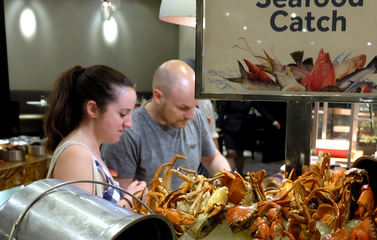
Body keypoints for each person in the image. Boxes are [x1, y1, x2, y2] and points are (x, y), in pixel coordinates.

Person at [102, 59, 231, 191]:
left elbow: (211, 158)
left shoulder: (196, 117)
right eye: (183, 108)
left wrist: (230, 178)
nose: (190, 116)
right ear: (158, 96)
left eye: (194, 106)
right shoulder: (127, 132)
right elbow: (121, 197)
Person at [44, 64, 146, 209]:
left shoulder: (91, 148)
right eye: (123, 114)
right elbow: (81, 225)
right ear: (93, 109)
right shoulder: (77, 154)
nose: (129, 123)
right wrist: (129, 200)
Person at [217, 100, 281, 174]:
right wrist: (218, 126)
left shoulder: (249, 97)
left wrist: (273, 121)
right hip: (229, 127)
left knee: (240, 153)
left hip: (243, 128)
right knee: (230, 152)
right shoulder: (232, 96)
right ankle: (229, 176)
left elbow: (261, 109)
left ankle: (240, 175)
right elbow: (222, 111)